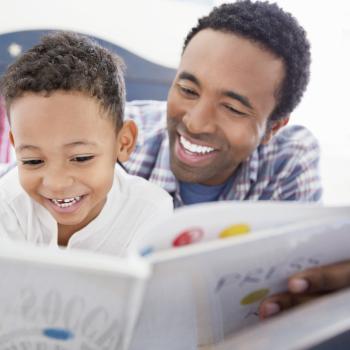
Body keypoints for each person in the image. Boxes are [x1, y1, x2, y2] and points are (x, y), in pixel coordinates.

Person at [124, 0, 322, 208]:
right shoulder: (112, 136)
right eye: (188, 90)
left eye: (232, 108)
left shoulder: (287, 165)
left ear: (272, 128)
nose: (196, 124)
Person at [0, 31, 172, 256]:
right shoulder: (7, 205)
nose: (57, 184)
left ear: (123, 142)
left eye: (81, 158)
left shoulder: (150, 211)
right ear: (15, 147)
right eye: (33, 161)